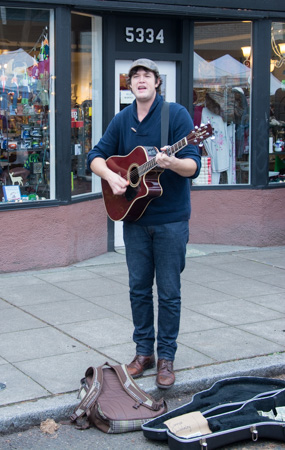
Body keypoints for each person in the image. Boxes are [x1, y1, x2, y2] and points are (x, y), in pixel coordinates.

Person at [87, 59, 201, 389]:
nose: (140, 80)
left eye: (146, 76)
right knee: (138, 289)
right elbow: (95, 156)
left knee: (168, 292)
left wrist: (171, 162)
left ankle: (166, 357)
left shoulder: (175, 115)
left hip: (170, 221)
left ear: (156, 83)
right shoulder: (122, 120)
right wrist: (113, 177)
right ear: (129, 85)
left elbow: (192, 166)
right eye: (134, 76)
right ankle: (143, 354)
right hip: (134, 219)